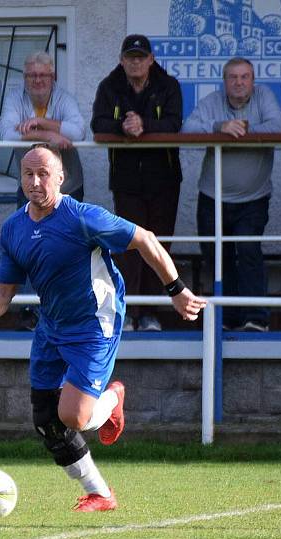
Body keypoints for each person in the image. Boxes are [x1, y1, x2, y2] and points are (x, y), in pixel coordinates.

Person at [0, 145, 206, 511]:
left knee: (75, 416)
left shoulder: (83, 218)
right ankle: (100, 493)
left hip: (96, 324)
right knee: (46, 419)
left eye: (43, 174)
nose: (35, 181)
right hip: (52, 326)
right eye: (28, 174)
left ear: (61, 178)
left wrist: (177, 290)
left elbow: (145, 238)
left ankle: (112, 398)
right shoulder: (15, 228)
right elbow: (5, 287)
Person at [182, 57, 281, 332]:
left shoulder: (265, 97)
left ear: (253, 80)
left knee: (249, 253)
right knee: (217, 257)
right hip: (212, 197)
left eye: (245, 77)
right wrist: (219, 127)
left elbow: (277, 126)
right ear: (224, 81)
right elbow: (188, 128)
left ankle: (255, 318)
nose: (239, 82)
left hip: (253, 197)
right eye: (233, 77)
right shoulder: (212, 101)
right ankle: (226, 318)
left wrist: (241, 129)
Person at [91, 34, 183, 332]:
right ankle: (129, 313)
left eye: (141, 57)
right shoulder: (109, 86)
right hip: (126, 181)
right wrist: (123, 126)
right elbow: (98, 124)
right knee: (128, 248)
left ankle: (152, 313)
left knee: (159, 247)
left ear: (151, 59)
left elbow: (174, 123)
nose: (135, 62)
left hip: (164, 180)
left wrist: (145, 127)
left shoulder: (168, 86)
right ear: (122, 60)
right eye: (130, 57)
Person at [0, 51, 86, 331]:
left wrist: (43, 125)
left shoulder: (64, 98)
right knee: (27, 247)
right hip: (30, 189)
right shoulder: (15, 99)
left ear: (53, 77)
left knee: (65, 249)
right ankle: (28, 308)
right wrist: (49, 136)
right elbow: (6, 134)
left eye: (43, 75)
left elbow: (79, 131)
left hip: (68, 186)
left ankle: (64, 308)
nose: (38, 80)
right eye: (32, 75)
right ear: (25, 79)